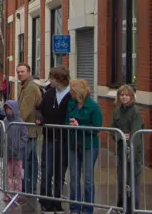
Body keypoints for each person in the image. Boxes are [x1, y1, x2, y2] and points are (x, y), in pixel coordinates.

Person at [37, 66, 72, 212]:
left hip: (64, 140)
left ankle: (57, 201)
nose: (49, 80)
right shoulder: (49, 93)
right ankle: (45, 200)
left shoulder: (71, 95)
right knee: (47, 170)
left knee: (60, 173)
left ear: (60, 79)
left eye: (52, 78)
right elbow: (40, 109)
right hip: (49, 138)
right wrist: (40, 119)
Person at [65, 79, 103, 214]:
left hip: (89, 146)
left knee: (87, 178)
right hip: (73, 144)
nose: (70, 92)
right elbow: (66, 120)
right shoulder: (71, 104)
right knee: (74, 176)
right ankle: (74, 207)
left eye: (72, 90)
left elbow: (97, 127)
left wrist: (79, 126)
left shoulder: (93, 106)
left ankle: (88, 208)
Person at [111, 85, 144, 212]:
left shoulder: (136, 111)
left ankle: (133, 208)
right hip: (121, 151)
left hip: (134, 152)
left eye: (126, 95)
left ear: (131, 96)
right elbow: (113, 129)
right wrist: (120, 136)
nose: (124, 97)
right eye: (121, 95)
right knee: (122, 179)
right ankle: (122, 206)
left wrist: (129, 142)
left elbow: (135, 132)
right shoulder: (117, 111)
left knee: (133, 179)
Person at [16, 63, 42, 194]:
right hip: (28, 129)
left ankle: (28, 187)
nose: (20, 74)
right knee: (31, 160)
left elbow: (24, 110)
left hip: (29, 130)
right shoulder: (25, 86)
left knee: (27, 161)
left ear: (29, 72)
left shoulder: (30, 87)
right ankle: (29, 187)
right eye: (18, 72)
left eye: (22, 71)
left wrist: (14, 123)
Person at [3, 100, 28, 202]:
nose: (8, 111)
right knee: (8, 174)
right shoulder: (4, 120)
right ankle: (9, 193)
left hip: (17, 154)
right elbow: (0, 133)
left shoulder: (20, 122)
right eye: (6, 109)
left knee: (17, 175)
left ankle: (17, 193)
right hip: (7, 153)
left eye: (10, 109)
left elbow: (25, 136)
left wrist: (19, 146)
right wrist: (1, 145)